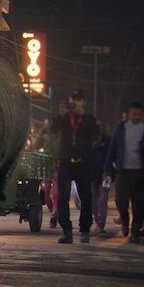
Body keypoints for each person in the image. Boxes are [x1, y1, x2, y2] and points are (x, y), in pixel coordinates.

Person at [103, 103, 144, 243]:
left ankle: (135, 232)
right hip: (122, 170)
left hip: (140, 171)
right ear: (130, 114)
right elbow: (112, 149)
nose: (137, 117)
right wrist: (107, 169)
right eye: (134, 114)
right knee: (121, 200)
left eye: (139, 114)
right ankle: (125, 219)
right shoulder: (121, 128)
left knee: (139, 203)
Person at [52, 90, 100, 244]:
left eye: (79, 100)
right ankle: (66, 231)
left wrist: (81, 116)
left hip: (84, 162)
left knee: (86, 197)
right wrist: (61, 114)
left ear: (84, 102)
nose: (75, 102)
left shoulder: (88, 119)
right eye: (73, 99)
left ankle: (85, 229)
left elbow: (95, 131)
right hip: (65, 162)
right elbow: (54, 129)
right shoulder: (65, 118)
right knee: (62, 198)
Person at [90, 118, 111, 235]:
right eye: (99, 125)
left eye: (103, 126)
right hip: (93, 174)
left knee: (103, 200)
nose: (101, 128)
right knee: (93, 199)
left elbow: (112, 153)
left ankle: (101, 223)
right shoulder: (91, 139)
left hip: (105, 174)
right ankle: (96, 219)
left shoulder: (109, 141)